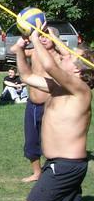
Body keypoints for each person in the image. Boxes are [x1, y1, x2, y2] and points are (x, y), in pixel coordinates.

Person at [14, 28, 94, 201]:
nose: (64, 55)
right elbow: (27, 77)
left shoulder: (81, 89)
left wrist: (33, 36)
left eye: (69, 56)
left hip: (64, 166)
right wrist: (21, 49)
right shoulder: (60, 88)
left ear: (79, 69)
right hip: (65, 165)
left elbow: (50, 66)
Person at [21, 26, 61, 183]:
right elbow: (14, 51)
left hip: (50, 105)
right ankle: (37, 173)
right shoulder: (35, 52)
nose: (42, 39)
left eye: (46, 36)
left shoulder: (58, 58)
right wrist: (23, 43)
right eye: (41, 36)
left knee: (52, 141)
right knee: (31, 141)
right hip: (32, 105)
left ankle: (54, 173)